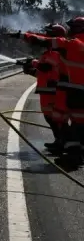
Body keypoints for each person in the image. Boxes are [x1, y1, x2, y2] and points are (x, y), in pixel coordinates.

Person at [9, 17, 84, 168]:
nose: (69, 30)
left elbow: (43, 41)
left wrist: (21, 35)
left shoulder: (72, 44)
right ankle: (74, 155)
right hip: (78, 91)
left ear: (77, 29)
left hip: (74, 91)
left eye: (71, 27)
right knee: (78, 124)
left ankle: (73, 157)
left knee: (66, 124)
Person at [18, 24, 69, 154]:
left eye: (48, 34)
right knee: (50, 118)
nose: (45, 37)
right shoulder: (49, 52)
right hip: (46, 90)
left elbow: (46, 67)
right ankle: (60, 141)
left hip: (53, 91)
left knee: (57, 119)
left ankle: (63, 142)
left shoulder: (56, 53)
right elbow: (44, 73)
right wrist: (31, 71)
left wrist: (33, 63)